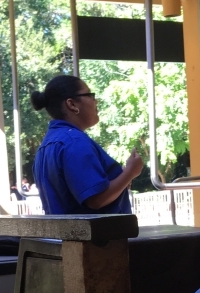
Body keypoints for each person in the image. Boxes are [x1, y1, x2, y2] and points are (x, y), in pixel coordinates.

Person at [30, 75, 143, 214]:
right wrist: (130, 172)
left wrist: (122, 179)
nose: (96, 100)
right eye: (90, 95)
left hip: (64, 234)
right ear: (72, 104)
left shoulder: (47, 145)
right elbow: (96, 199)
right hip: (95, 235)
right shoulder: (73, 142)